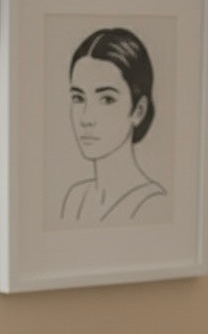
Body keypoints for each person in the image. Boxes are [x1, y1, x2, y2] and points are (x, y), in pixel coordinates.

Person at [60, 28, 168, 226]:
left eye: (107, 99)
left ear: (139, 111)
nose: (86, 118)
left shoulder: (152, 204)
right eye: (78, 98)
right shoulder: (76, 198)